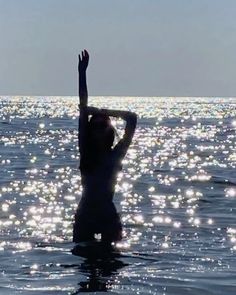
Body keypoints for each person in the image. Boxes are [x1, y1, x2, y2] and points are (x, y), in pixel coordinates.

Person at [73, 50, 137, 244]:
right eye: (96, 125)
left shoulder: (116, 154)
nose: (100, 128)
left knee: (111, 266)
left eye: (104, 125)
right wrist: (82, 72)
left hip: (107, 215)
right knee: (85, 264)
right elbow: (82, 105)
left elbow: (132, 118)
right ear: (90, 131)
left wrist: (102, 111)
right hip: (85, 214)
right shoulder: (86, 151)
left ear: (109, 131)